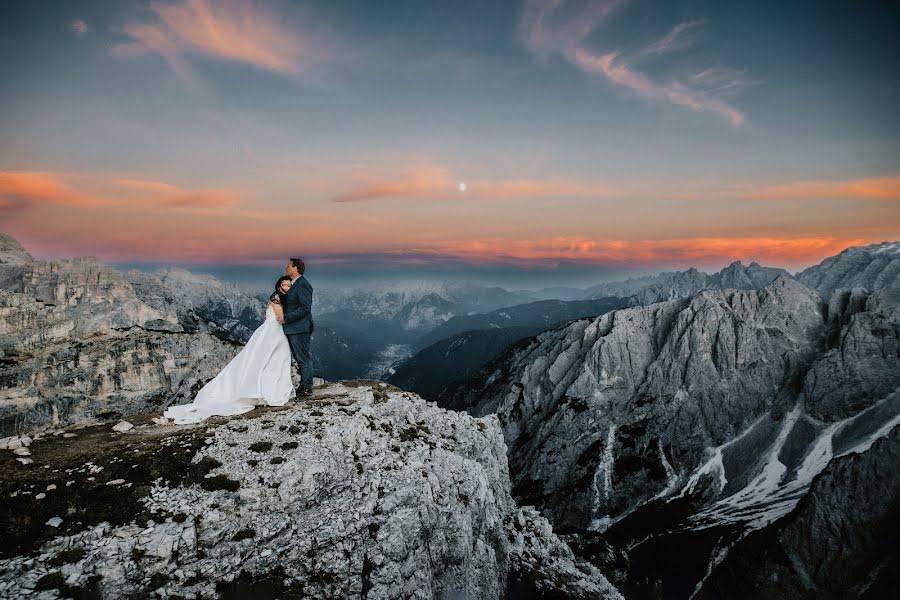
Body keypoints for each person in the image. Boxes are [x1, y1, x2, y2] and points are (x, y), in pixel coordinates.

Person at [163, 276, 295, 424]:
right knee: (274, 360)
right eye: (285, 285)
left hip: (272, 331)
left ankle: (269, 390)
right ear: (279, 286)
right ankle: (268, 391)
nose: (287, 288)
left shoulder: (282, 297)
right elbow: (280, 317)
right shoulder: (276, 297)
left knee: (274, 360)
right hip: (273, 332)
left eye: (289, 285)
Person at [279, 257, 315, 398]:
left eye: (288, 266)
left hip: (300, 328)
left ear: (295, 268)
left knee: (303, 359)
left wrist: (286, 318)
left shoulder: (303, 284)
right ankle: (304, 386)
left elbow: (305, 308)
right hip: (294, 328)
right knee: (300, 359)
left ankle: (307, 388)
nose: (285, 268)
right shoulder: (294, 284)